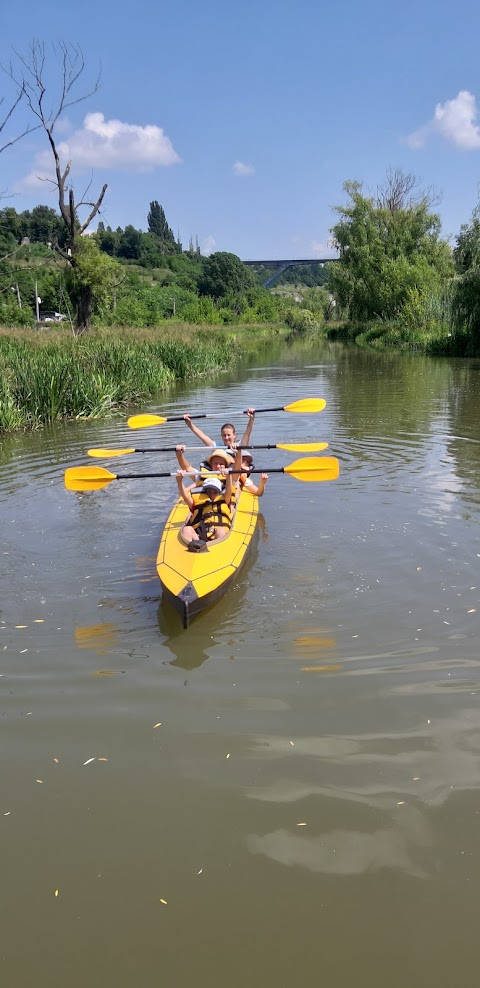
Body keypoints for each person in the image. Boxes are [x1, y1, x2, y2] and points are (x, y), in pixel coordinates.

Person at [176, 469, 233, 551]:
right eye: (208, 491)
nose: (211, 494)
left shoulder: (225, 499)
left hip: (217, 540)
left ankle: (219, 553)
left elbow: (229, 489)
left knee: (221, 530)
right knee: (187, 529)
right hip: (198, 539)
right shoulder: (197, 502)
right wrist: (179, 481)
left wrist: (228, 476)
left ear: (219, 492)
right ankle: (188, 553)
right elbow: (184, 495)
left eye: (214, 492)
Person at [183, 408, 256, 455]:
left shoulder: (241, 445)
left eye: (228, 435)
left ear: (234, 435)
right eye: (224, 435)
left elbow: (247, 433)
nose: (226, 438)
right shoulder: (217, 446)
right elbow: (203, 437)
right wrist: (190, 424)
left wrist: (251, 419)